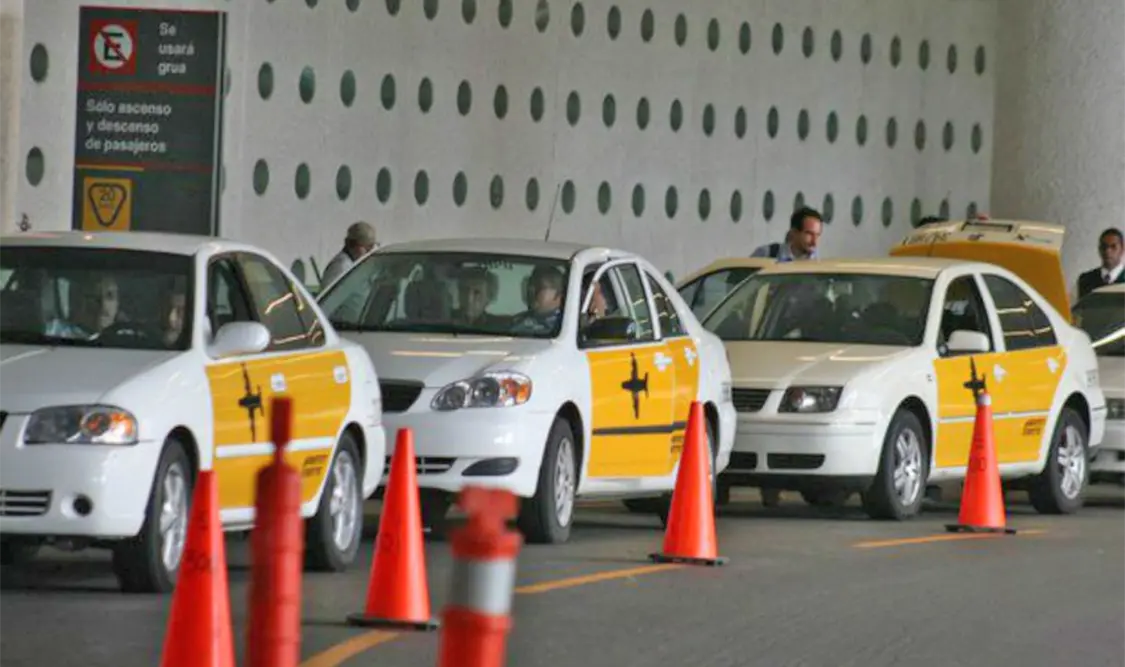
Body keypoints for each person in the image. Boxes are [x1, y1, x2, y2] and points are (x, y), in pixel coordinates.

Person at [752, 207, 822, 261]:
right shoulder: (767, 254)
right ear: (794, 232)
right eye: (809, 234)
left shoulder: (819, 264)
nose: (814, 242)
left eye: (818, 235)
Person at [321, 221, 378, 288]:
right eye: (367, 248)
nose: (369, 252)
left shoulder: (353, 263)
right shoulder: (341, 267)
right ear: (352, 245)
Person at [1076, 228, 1125, 300]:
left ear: (1122, 249)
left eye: (1113, 247)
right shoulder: (1086, 280)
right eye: (1104, 246)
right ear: (1099, 249)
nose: (1107, 251)